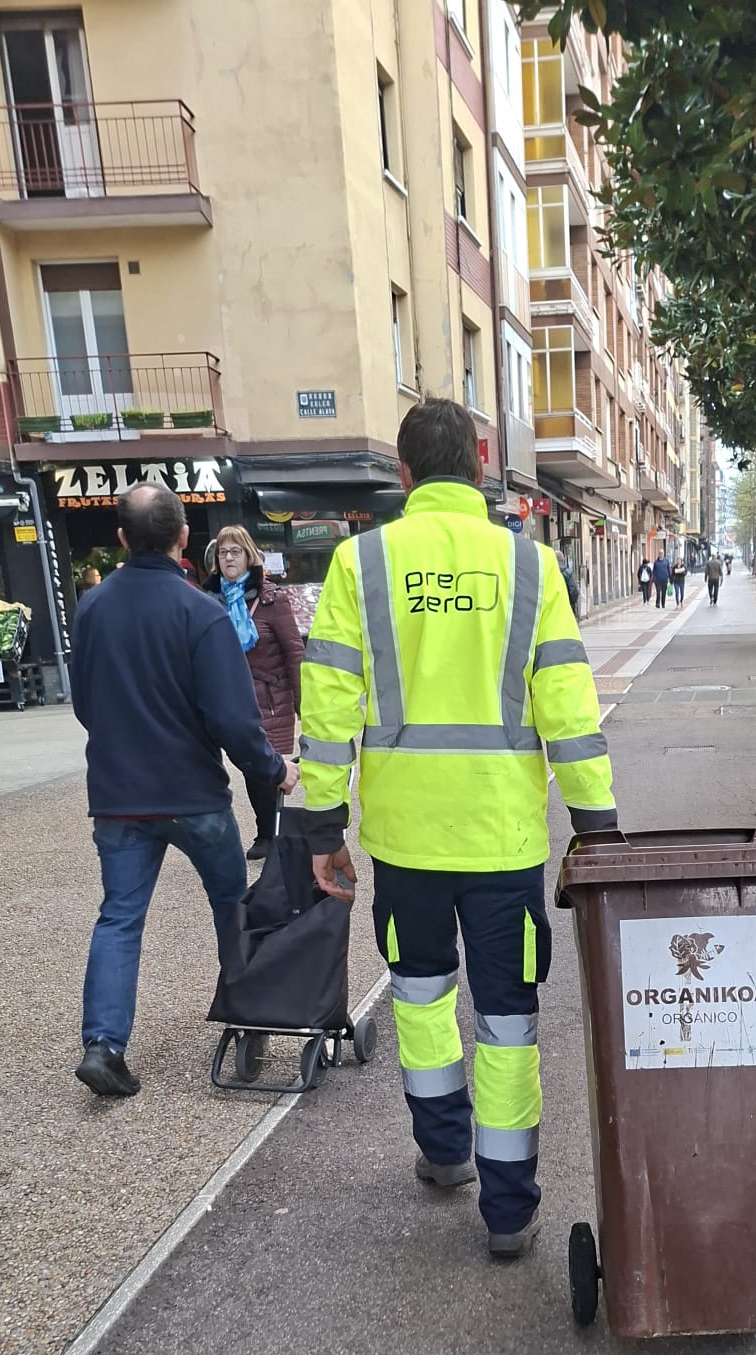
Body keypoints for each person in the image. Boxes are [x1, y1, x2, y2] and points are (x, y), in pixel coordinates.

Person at [300, 397, 615, 1259]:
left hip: (404, 843)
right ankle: (510, 1210)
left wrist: (322, 827)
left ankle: (443, 1154)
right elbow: (569, 706)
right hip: (503, 840)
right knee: (509, 1020)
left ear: (403, 475)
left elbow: (327, 707)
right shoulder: (530, 567)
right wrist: (598, 826)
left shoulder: (360, 564)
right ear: (479, 469)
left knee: (421, 997)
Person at [70, 482, 296, 1099]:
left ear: (120, 539)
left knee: (119, 916)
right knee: (231, 901)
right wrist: (273, 767)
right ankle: (248, 1018)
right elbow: (231, 717)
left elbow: (85, 705)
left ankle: (104, 1045)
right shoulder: (201, 612)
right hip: (193, 794)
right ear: (184, 538)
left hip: (117, 796)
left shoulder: (91, 608)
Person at [204, 524, 303, 861]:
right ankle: (266, 830)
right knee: (249, 765)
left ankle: (272, 833)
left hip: (270, 696)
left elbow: (294, 652)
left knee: (267, 765)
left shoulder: (272, 599)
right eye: (223, 552)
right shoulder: (210, 601)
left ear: (249, 557)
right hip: (231, 698)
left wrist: (305, 704)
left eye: (235, 551)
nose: (229, 558)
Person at [556, 543, 580, 615]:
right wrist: (571, 604)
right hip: (566, 608)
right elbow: (574, 591)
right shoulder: (568, 572)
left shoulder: (550, 572)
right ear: (563, 559)